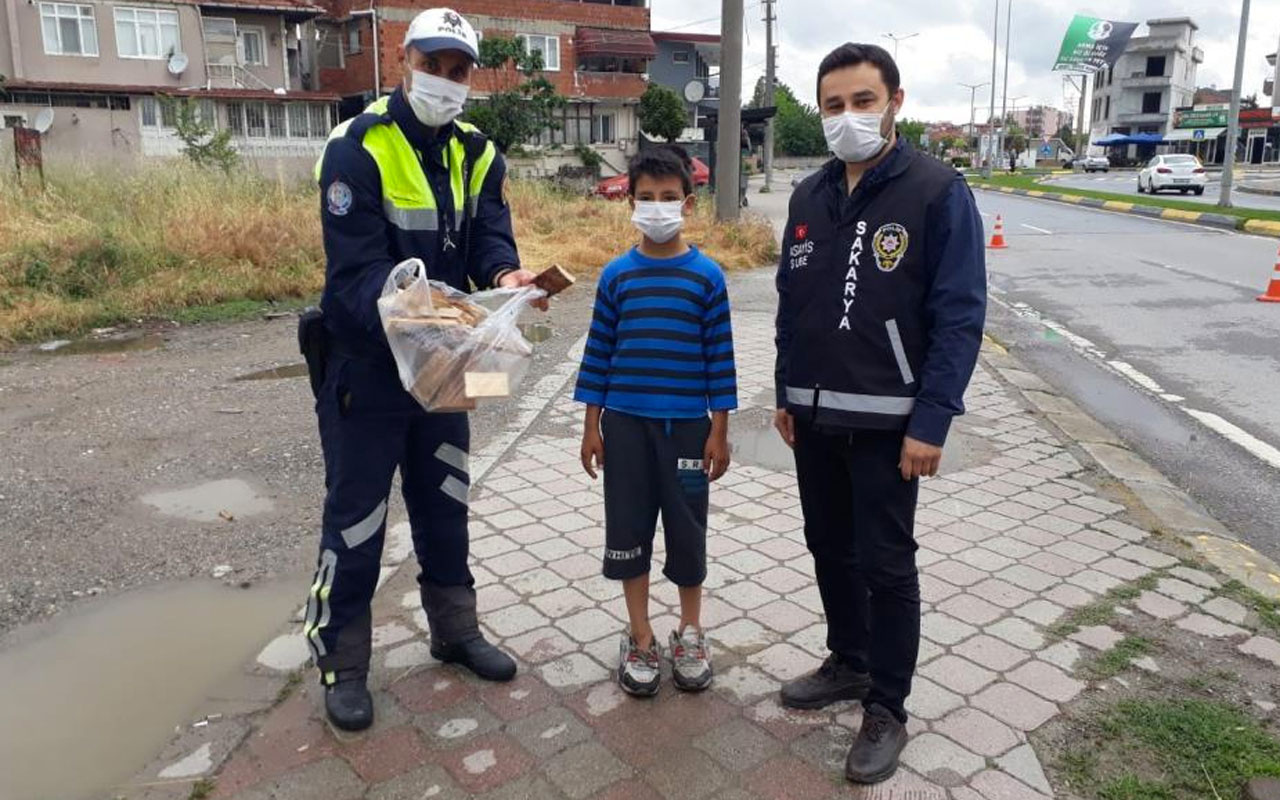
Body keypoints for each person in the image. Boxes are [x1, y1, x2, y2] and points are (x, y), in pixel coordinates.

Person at [301, 7, 539, 733]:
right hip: (367, 369)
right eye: (433, 65)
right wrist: (423, 306)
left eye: (458, 70)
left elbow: (490, 238)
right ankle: (342, 661)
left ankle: (455, 630)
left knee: (446, 499)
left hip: (443, 368)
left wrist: (508, 277)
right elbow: (353, 274)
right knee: (359, 517)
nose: (445, 80)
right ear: (405, 62)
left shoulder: (477, 152)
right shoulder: (358, 147)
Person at [773, 43, 986, 783]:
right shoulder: (808, 197)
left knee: (887, 565)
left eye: (863, 101)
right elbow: (789, 305)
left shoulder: (935, 190)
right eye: (834, 106)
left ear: (894, 100)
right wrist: (785, 393)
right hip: (813, 417)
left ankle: (887, 707)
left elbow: (959, 316)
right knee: (828, 546)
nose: (848, 118)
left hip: (892, 426)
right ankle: (850, 662)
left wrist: (932, 421)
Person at [575, 147, 737, 698]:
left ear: (688, 204)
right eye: (647, 198)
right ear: (631, 204)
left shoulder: (707, 278)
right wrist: (591, 426)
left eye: (669, 199)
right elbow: (598, 354)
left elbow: (721, 359)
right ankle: (640, 635)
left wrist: (720, 429)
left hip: (690, 431)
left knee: (688, 531)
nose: (658, 208)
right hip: (624, 431)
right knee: (628, 530)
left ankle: (690, 632)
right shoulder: (616, 277)